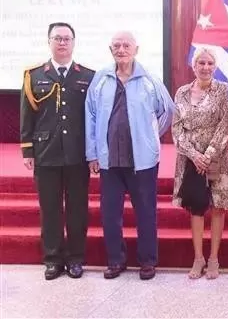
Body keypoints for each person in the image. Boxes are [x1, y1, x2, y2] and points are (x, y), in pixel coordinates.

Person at [85, 31, 174, 280]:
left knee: (146, 212)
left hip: (143, 162)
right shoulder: (100, 80)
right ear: (110, 49)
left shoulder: (150, 80)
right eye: (117, 46)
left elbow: (166, 112)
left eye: (126, 45)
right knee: (110, 214)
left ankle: (147, 261)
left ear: (137, 49)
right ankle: (115, 260)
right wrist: (92, 153)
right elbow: (90, 117)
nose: (121, 49)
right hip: (109, 161)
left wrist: (149, 138)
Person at [19, 22, 95, 280]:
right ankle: (52, 259)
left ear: (74, 42)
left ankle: (75, 259)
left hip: (77, 153)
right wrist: (28, 151)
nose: (62, 43)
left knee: (77, 209)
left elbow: (92, 118)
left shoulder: (88, 75)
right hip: (46, 153)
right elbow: (27, 116)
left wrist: (93, 152)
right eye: (57, 38)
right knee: (50, 208)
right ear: (48, 42)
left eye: (67, 38)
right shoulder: (34, 75)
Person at [172, 47, 228, 279]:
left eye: (210, 63)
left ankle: (214, 259)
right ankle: (198, 258)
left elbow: (224, 124)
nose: (206, 67)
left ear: (216, 66)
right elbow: (176, 127)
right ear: (194, 65)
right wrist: (194, 155)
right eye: (201, 62)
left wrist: (208, 154)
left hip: (217, 156)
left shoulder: (223, 90)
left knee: (218, 207)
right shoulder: (181, 92)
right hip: (190, 160)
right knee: (197, 207)